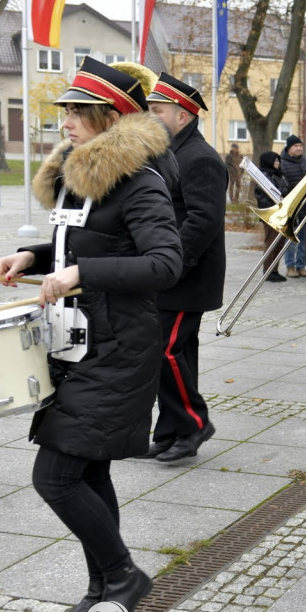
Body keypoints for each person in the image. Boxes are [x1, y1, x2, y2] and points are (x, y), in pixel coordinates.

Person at [0, 57, 183, 612]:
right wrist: (36, 257)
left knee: (55, 477)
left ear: (111, 116)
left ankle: (123, 576)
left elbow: (164, 263)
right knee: (88, 475)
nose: (67, 122)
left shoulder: (140, 181)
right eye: (68, 112)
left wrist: (81, 274)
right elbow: (83, 245)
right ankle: (103, 594)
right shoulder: (86, 180)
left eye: (79, 112)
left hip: (119, 350)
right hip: (81, 346)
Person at [133, 73, 227, 463]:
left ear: (183, 115)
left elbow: (203, 220)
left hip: (186, 276)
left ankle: (193, 423)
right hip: (172, 273)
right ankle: (171, 431)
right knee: (178, 353)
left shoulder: (200, 157)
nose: (151, 116)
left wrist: (172, 264)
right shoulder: (171, 152)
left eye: (157, 111)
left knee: (164, 351)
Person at [280, 134, 306, 278]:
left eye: (300, 146)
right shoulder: (282, 163)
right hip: (291, 206)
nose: (299, 148)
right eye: (296, 146)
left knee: (303, 238)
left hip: (305, 206)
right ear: (289, 148)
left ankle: (301, 266)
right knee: (291, 238)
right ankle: (290, 266)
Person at [256, 150, 289, 282]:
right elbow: (264, 197)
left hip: (281, 213)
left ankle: (274, 269)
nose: (278, 163)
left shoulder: (279, 175)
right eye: (275, 161)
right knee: (272, 242)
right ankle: (268, 270)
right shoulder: (264, 176)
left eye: (278, 160)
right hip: (271, 214)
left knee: (279, 243)